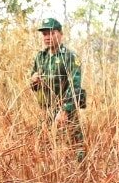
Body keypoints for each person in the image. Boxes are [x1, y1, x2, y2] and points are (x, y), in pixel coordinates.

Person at [28, 17, 86, 159]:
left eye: (51, 33)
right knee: (44, 146)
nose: (47, 37)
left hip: (65, 108)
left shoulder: (70, 56)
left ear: (60, 34)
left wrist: (65, 110)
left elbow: (75, 85)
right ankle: (52, 176)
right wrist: (33, 81)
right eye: (45, 34)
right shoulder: (40, 57)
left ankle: (81, 175)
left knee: (76, 145)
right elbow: (33, 84)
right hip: (46, 109)